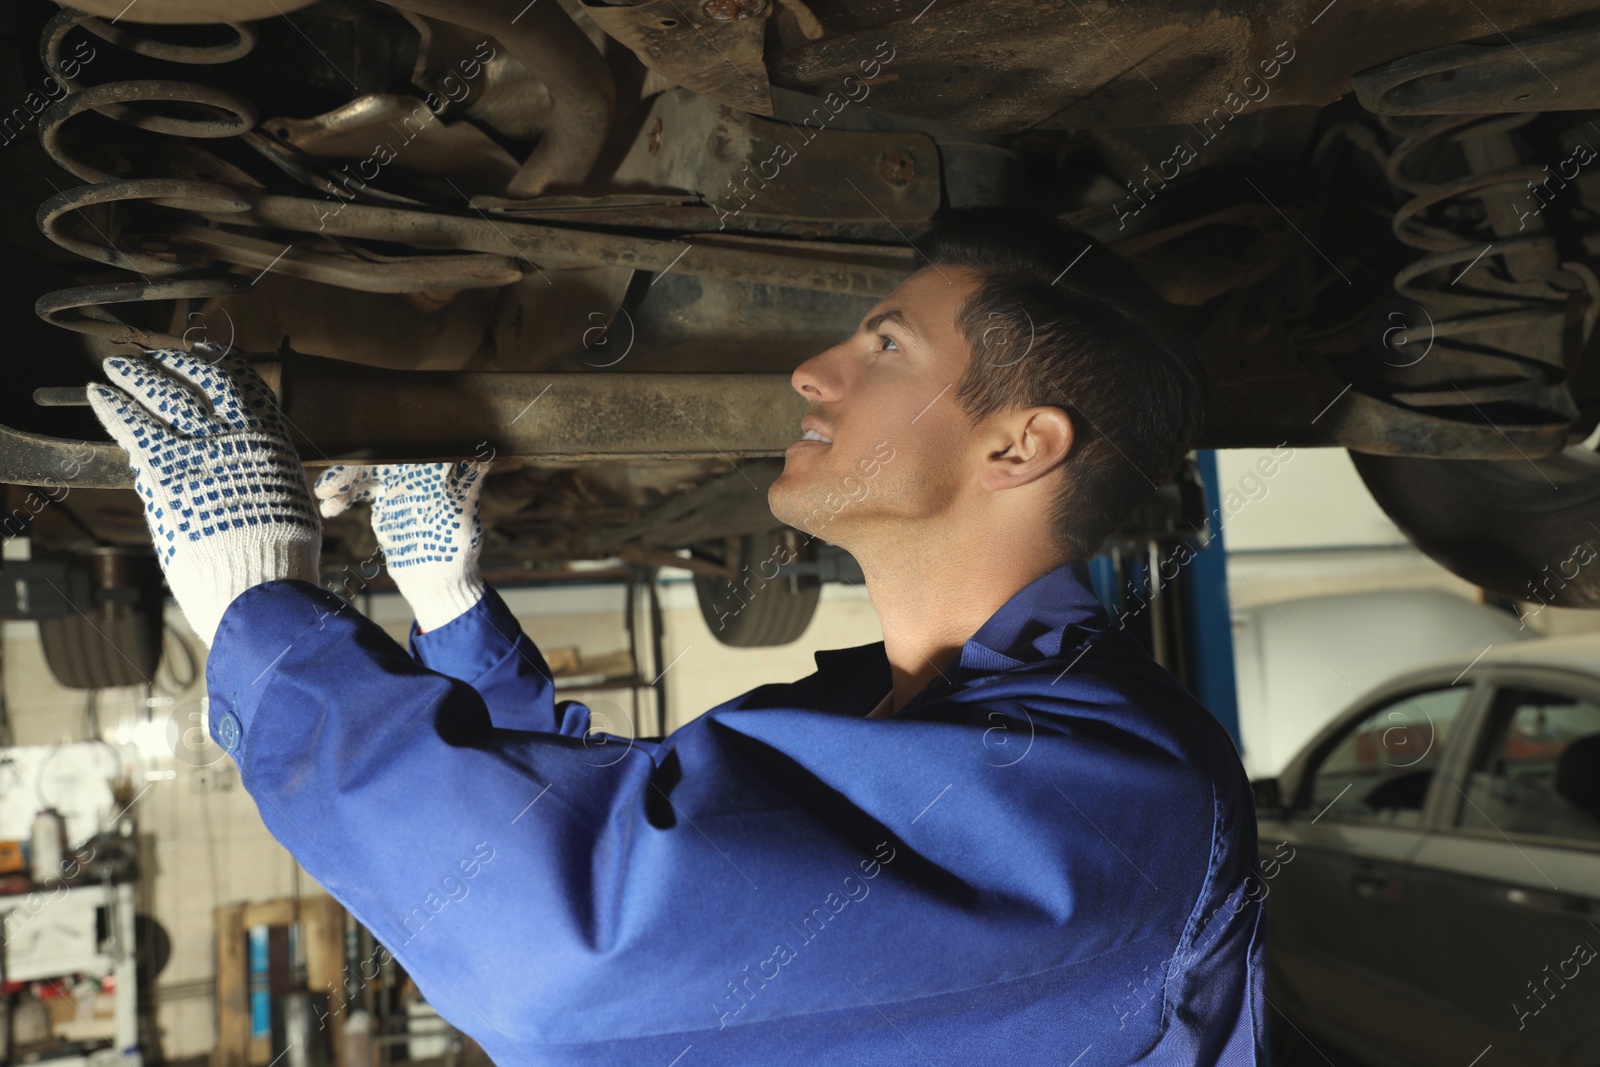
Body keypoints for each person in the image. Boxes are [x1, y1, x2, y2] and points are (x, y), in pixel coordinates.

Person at [87, 207, 1266, 1065]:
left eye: (885, 346)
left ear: (1019, 446)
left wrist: (263, 609)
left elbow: (575, 961)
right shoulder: (922, 721)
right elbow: (633, 831)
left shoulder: (1113, 798)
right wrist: (447, 605)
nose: (812, 371)